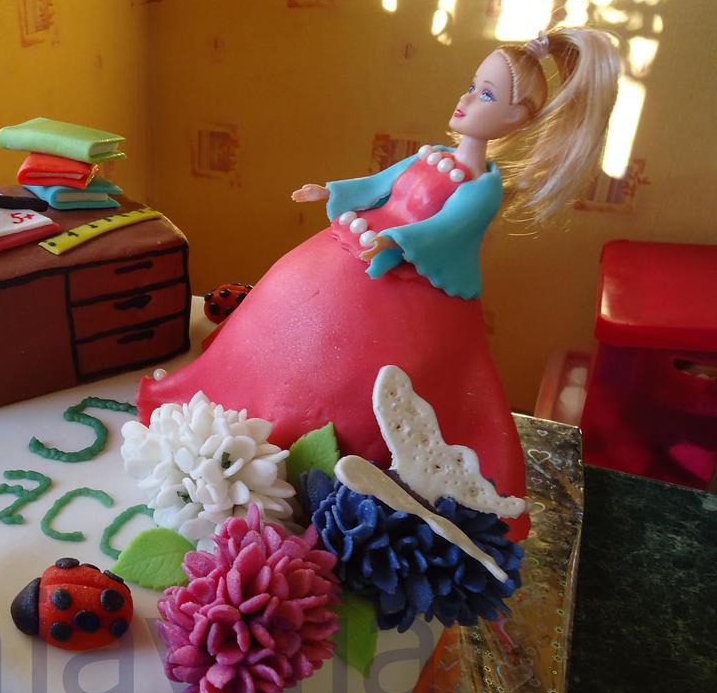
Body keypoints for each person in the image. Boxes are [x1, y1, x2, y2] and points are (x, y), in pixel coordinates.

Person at [138, 28, 621, 535]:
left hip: (409, 281)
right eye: (471, 85)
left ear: (517, 117)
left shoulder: (482, 188)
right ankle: (231, 423)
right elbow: (378, 184)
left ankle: (319, 478)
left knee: (362, 374)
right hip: (348, 250)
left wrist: (399, 241)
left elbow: (450, 228)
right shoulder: (431, 155)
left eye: (486, 95)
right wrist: (331, 190)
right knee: (281, 319)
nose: (465, 99)